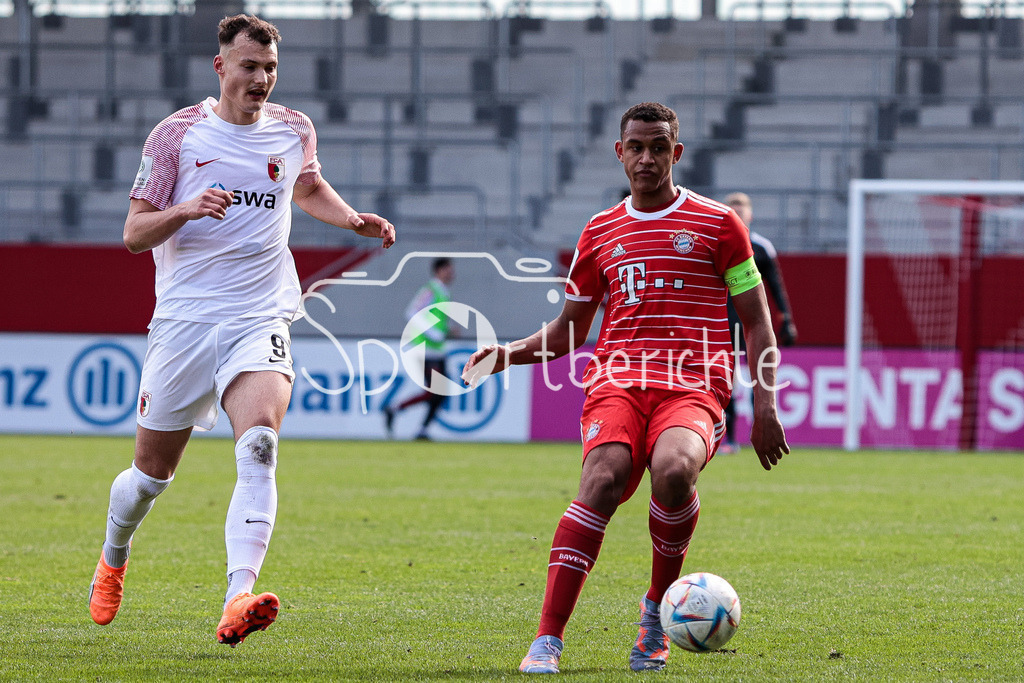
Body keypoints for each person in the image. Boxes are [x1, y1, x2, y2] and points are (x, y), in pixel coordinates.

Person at [87, 14, 395, 647]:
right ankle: (114, 554)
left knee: (260, 444)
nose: (261, 79)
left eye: (271, 68)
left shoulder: (292, 130)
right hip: (185, 323)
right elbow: (132, 234)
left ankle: (238, 596)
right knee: (149, 477)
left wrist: (349, 220)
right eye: (250, 66)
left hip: (259, 316)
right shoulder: (177, 134)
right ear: (221, 67)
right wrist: (186, 207)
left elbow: (305, 186)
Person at [462, 102, 789, 674]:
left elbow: (759, 321)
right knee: (602, 478)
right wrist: (507, 355)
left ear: (676, 153)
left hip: (694, 384)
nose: (646, 158)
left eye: (658, 147)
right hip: (616, 382)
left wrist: (765, 403)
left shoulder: (719, 225)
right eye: (635, 147)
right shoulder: (600, 230)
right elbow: (569, 332)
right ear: (619, 153)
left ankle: (655, 613)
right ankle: (547, 639)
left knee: (674, 469)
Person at [720, 192, 798, 454]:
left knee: (759, 379)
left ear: (750, 215)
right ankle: (728, 439)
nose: (738, 215)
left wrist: (786, 319)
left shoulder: (762, 248)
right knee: (727, 382)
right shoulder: (719, 244)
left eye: (742, 211)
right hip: (725, 324)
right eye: (734, 211)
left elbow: (776, 288)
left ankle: (760, 430)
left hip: (754, 324)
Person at [383, 257, 455, 440]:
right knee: (436, 390)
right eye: (448, 269)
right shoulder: (430, 290)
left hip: (438, 349)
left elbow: (436, 320)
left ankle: (419, 427)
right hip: (425, 348)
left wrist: (447, 330)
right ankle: (398, 410)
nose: (451, 272)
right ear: (438, 270)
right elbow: (412, 312)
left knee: (441, 392)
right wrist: (435, 333)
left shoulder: (444, 292)